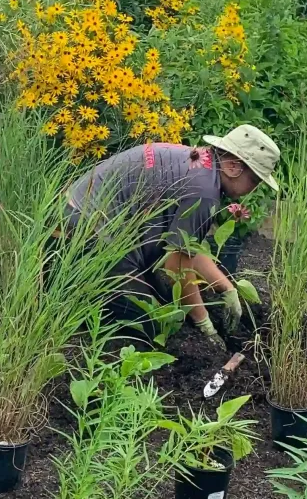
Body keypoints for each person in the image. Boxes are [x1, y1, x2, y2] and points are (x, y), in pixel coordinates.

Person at [65, 124, 280, 351]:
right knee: (159, 326)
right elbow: (177, 265)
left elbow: (185, 247)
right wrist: (204, 324)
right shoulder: (205, 192)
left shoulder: (200, 165)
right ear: (233, 166)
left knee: (169, 302)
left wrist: (226, 288)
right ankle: (80, 304)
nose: (253, 189)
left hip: (83, 223)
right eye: (254, 181)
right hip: (85, 237)